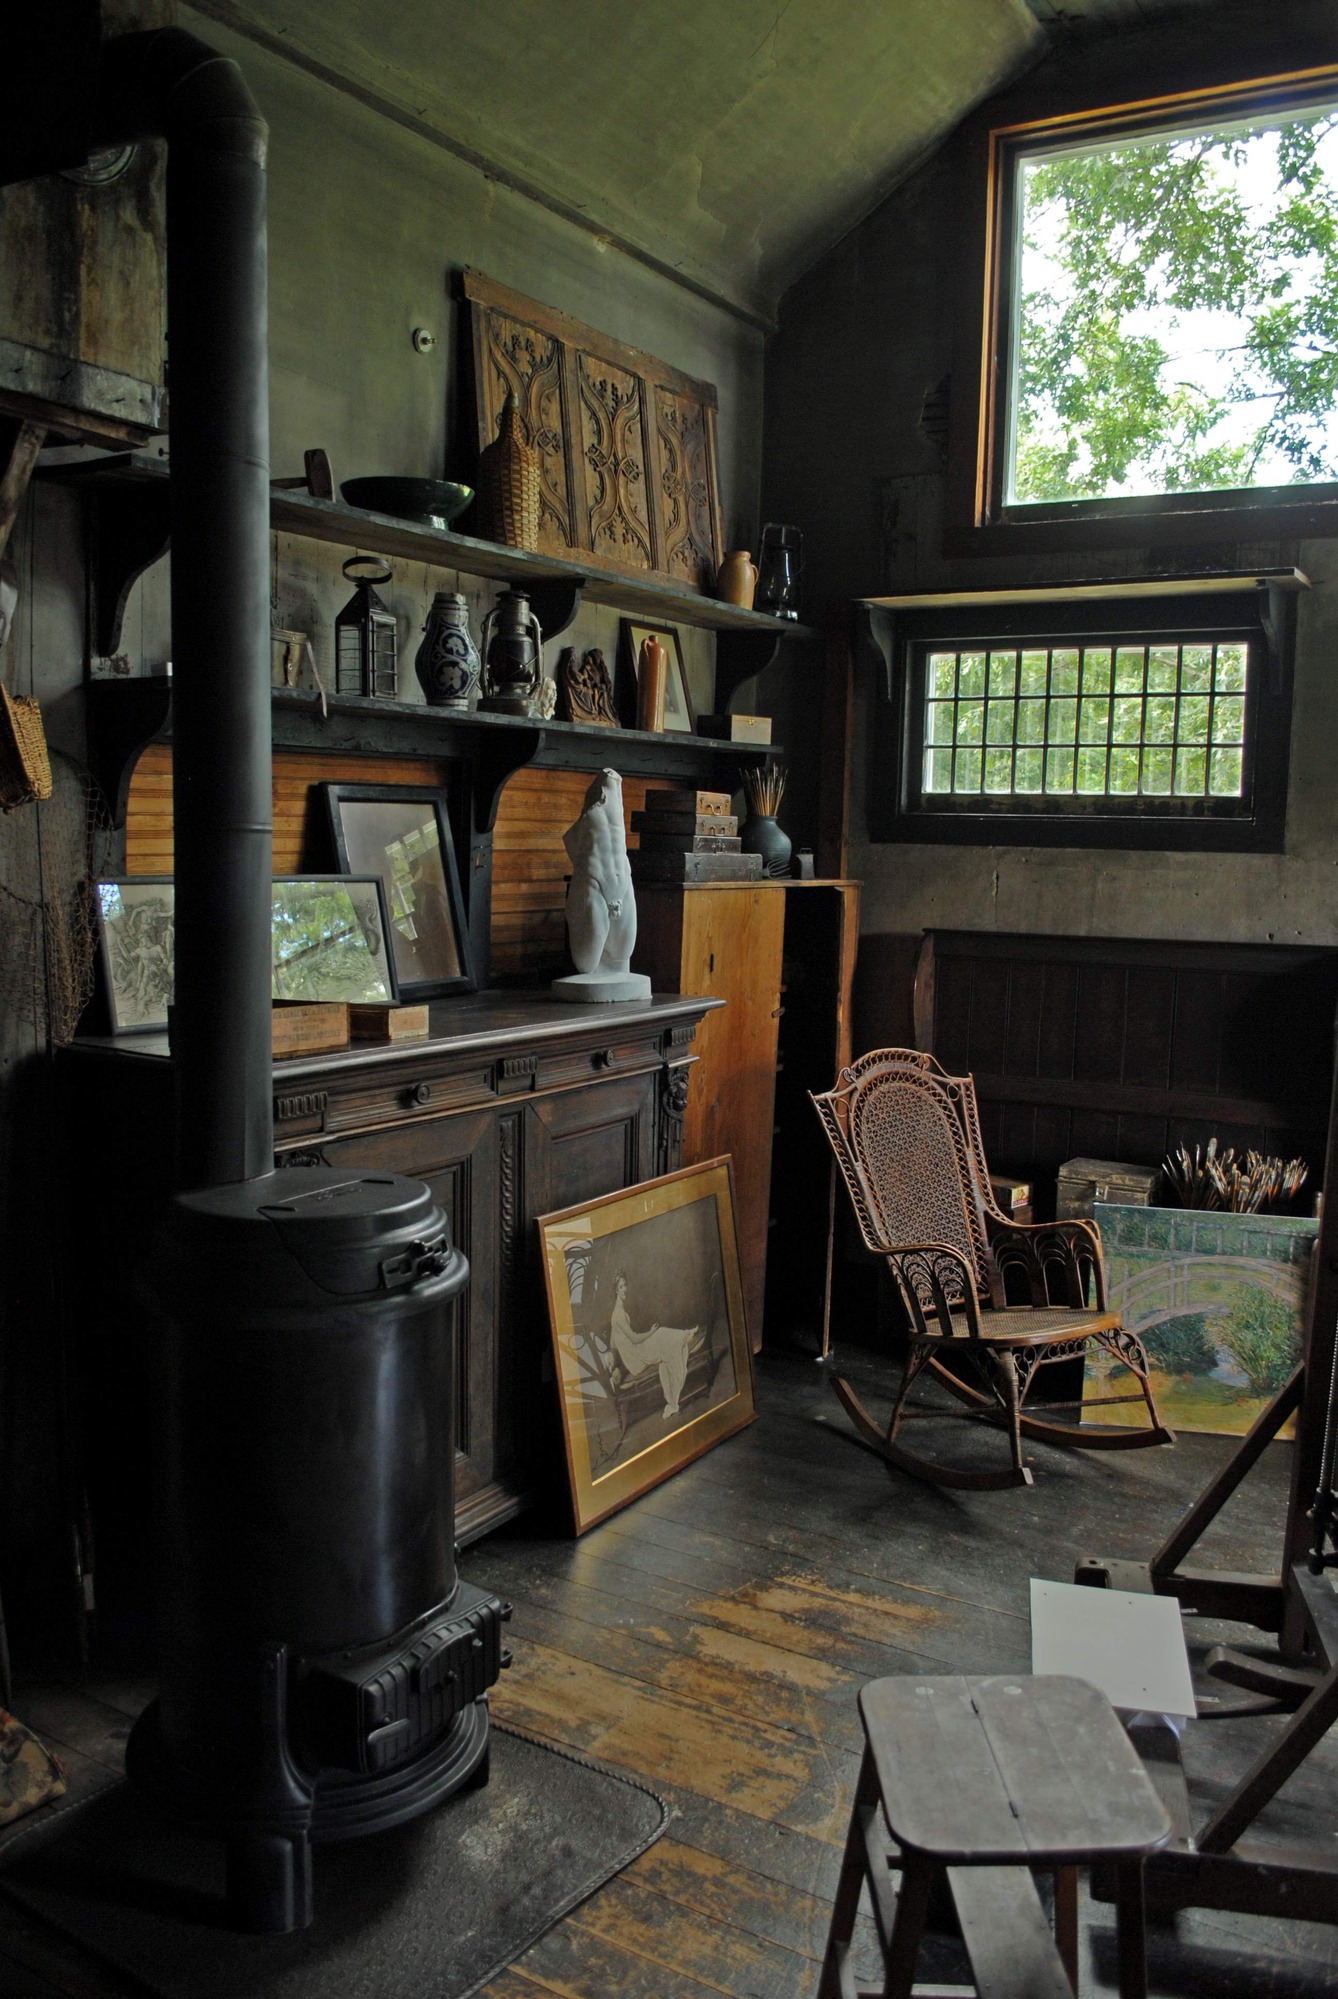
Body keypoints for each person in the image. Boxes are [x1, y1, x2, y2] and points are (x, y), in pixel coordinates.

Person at [606, 1273, 696, 1420]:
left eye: (625, 1285)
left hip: (635, 1351)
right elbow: (634, 1339)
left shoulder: (616, 1313)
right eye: (621, 1286)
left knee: (660, 1336)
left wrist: (613, 1353)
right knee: (658, 1333)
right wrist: (650, 1332)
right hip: (635, 1359)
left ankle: (684, 1336)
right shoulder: (619, 1314)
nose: (625, 1289)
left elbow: (612, 1341)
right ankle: (685, 1336)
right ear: (616, 1290)